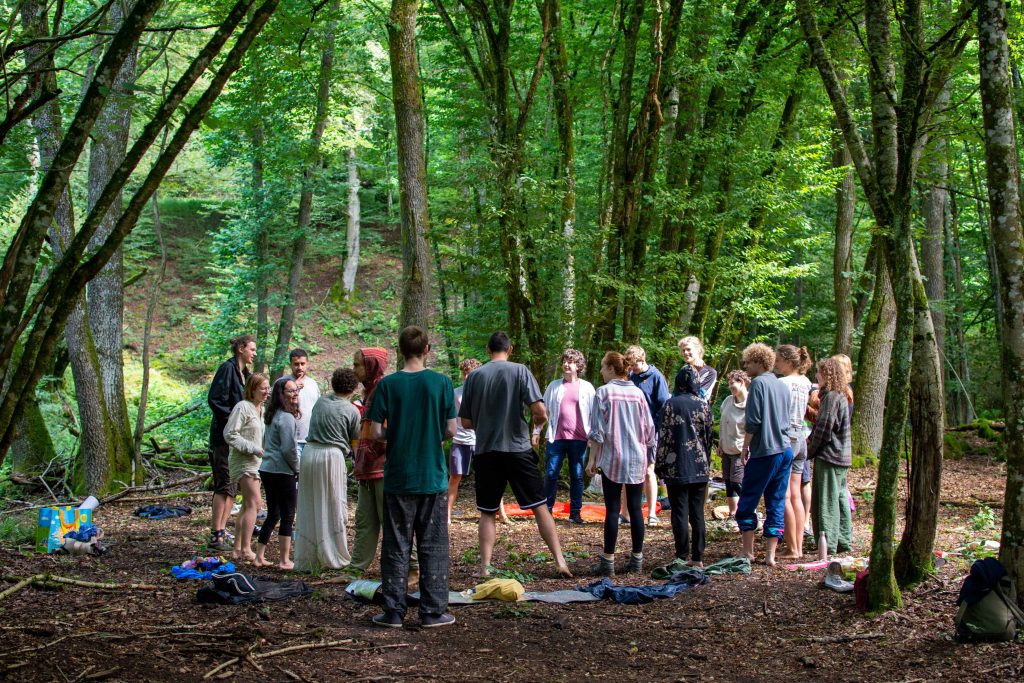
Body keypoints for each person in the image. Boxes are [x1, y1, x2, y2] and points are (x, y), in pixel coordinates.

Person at [459, 331, 572, 578]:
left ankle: (485, 567)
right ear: (510, 350)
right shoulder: (520, 371)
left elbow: (465, 421)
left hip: (487, 450)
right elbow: (540, 411)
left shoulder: (475, 377)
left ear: (488, 350)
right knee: (540, 506)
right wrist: (536, 429)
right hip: (518, 448)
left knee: (487, 511)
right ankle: (560, 560)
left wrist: (485, 420)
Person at [367, 326, 457, 628]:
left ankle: (394, 610)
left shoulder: (388, 385)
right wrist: (431, 434)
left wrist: (398, 433)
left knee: (396, 543)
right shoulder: (442, 383)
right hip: (431, 475)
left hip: (399, 475)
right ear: (427, 349)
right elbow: (452, 429)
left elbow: (376, 431)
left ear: (400, 350)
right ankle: (433, 611)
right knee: (433, 544)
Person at [585, 352, 656, 576]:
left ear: (612, 369)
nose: (601, 371)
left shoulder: (603, 392)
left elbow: (597, 432)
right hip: (636, 456)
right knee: (635, 508)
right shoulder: (638, 393)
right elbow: (650, 430)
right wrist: (647, 452)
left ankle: (608, 561)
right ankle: (637, 560)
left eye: (603, 367)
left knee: (613, 509)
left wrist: (592, 460)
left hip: (613, 456)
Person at [294, 368, 361, 572]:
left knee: (311, 503)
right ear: (354, 387)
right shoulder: (351, 410)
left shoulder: (321, 401)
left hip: (309, 453)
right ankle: (334, 555)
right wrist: (359, 464)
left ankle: (309, 557)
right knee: (333, 503)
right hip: (331, 456)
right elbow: (356, 443)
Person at [737, 343, 793, 566]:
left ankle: (748, 551)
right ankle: (770, 556)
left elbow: (753, 421)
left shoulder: (758, 384)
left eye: (748, 362)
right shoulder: (781, 385)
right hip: (785, 450)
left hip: (765, 452)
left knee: (748, 500)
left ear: (759, 362)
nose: (746, 365)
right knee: (776, 501)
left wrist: (745, 447)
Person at [654, 366, 714, 572]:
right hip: (699, 465)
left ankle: (681, 555)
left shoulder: (670, 405)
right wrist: (707, 461)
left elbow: (663, 437)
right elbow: (708, 437)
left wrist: (659, 465)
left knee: (679, 511)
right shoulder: (703, 405)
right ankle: (698, 557)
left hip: (675, 465)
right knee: (697, 512)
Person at [206, 335, 255, 552]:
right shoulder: (227, 369)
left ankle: (223, 530)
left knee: (233, 486)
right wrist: (234, 422)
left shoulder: (244, 374)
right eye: (252, 349)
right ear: (241, 349)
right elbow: (215, 400)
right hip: (224, 438)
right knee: (224, 484)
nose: (254, 353)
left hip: (238, 440)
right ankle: (216, 534)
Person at [536, 348, 595, 524]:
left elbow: (594, 414)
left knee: (577, 475)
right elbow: (543, 411)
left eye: (570, 362)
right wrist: (536, 431)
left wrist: (593, 437)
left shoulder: (587, 388)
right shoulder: (554, 386)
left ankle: (575, 513)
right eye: (564, 361)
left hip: (580, 439)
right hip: (556, 438)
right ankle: (547, 511)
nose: (566, 364)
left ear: (578, 365)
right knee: (551, 473)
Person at [807, 358, 853, 561]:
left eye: (819, 372)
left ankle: (828, 544)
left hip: (830, 456)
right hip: (841, 457)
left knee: (826, 501)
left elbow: (824, 429)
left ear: (827, 375)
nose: (816, 376)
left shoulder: (832, 397)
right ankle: (843, 540)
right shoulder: (839, 395)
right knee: (840, 498)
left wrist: (809, 450)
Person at [350, 348, 392, 572]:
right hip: (366, 468)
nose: (353, 369)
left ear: (372, 365)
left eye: (357, 364)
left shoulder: (384, 389)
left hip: (382, 468)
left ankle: (407, 568)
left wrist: (377, 452)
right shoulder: (369, 391)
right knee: (364, 520)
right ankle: (356, 568)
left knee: (390, 521)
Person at [223, 373, 269, 563]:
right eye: (263, 388)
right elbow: (230, 434)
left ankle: (237, 549)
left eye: (268, 388)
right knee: (255, 504)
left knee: (248, 505)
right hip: (243, 461)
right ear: (252, 389)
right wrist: (253, 448)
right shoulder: (243, 407)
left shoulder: (262, 409)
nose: (267, 392)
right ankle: (246, 548)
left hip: (256, 462)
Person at [255, 378, 300, 569]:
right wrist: (297, 468)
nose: (295, 394)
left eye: (296, 390)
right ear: (281, 394)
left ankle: (259, 556)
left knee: (273, 513)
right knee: (288, 514)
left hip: (267, 469)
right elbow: (288, 448)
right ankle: (284, 560)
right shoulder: (286, 418)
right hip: (281, 471)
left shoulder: (272, 415)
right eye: (290, 391)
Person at [623, 345, 670, 526]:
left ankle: (651, 513)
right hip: (631, 431)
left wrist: (652, 428)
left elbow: (663, 406)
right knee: (627, 472)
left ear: (642, 360)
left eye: (634, 365)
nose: (632, 369)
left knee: (649, 471)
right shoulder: (631, 377)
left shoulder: (656, 377)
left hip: (651, 432)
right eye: (630, 366)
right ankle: (625, 513)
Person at [775, 345, 813, 560]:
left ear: (789, 361)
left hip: (787, 439)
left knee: (786, 494)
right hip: (801, 438)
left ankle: (792, 549)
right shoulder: (805, 382)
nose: (776, 364)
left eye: (779, 360)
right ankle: (797, 545)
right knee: (796, 493)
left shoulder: (782, 383)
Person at [449, 358, 482, 524]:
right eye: (465, 373)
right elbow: (450, 417)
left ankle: (500, 514)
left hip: (482, 441)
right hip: (460, 440)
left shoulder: (484, 392)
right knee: (455, 476)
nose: (467, 376)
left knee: (489, 477)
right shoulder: (455, 393)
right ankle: (447, 514)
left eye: (470, 373)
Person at [718, 370, 750, 525]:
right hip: (726, 447)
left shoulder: (750, 403)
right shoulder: (727, 401)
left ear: (742, 382)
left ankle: (749, 509)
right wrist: (720, 444)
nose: (730, 386)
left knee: (738, 482)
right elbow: (723, 423)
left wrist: (747, 448)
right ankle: (733, 513)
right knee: (729, 481)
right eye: (729, 383)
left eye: (733, 383)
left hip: (741, 449)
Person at [283, 348, 321, 458]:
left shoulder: (313, 384)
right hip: (291, 440)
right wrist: (293, 386)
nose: (300, 367)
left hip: (310, 440)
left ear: (307, 364)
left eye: (302, 364)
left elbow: (317, 410)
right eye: (296, 364)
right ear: (290, 364)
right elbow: (276, 407)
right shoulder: (282, 383)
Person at [677, 336, 718, 402]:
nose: (685, 352)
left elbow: (698, 395)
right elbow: (676, 392)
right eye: (683, 350)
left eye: (688, 349)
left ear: (698, 350)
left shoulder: (710, 372)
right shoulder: (684, 370)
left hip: (697, 411)